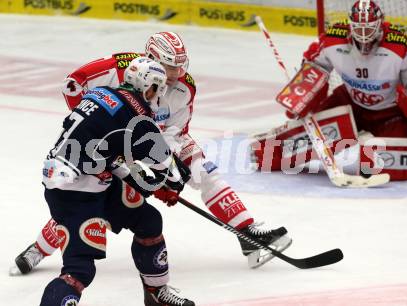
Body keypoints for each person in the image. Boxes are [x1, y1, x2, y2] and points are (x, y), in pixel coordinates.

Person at [11, 31, 292, 275]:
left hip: (151, 137)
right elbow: (72, 84)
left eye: (180, 67)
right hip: (107, 141)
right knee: (90, 199)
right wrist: (92, 128)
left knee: (202, 170)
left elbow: (175, 131)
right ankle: (39, 247)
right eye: (170, 67)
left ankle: (248, 232)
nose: (176, 75)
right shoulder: (118, 69)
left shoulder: (184, 87)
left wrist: (166, 166)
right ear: (152, 59)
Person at [38, 58, 195, 306]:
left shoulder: (102, 93)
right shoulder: (135, 114)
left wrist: (143, 182)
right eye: (157, 89)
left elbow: (104, 148)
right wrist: (171, 182)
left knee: (148, 221)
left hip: (80, 179)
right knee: (78, 272)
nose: (157, 96)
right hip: (76, 193)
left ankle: (156, 294)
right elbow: (169, 169)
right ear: (149, 87)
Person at [252, 0, 407, 181]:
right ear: (350, 25)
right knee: (313, 131)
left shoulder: (399, 45)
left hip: (391, 112)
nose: (364, 35)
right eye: (359, 29)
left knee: (389, 155)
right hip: (350, 102)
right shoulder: (333, 39)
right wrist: (302, 96)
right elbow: (314, 67)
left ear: (380, 25)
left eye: (369, 29)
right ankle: (269, 151)